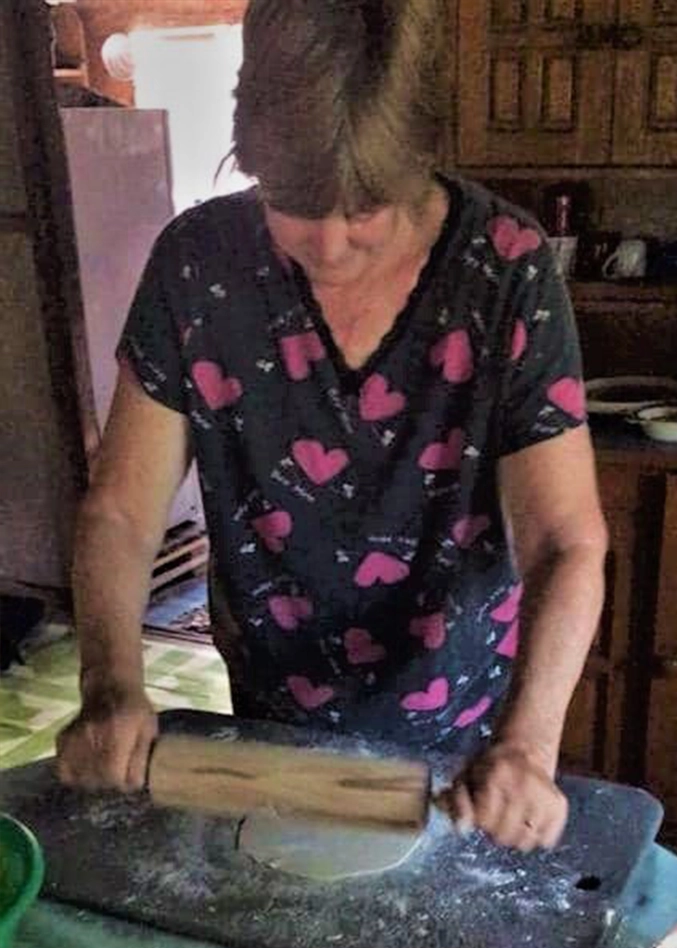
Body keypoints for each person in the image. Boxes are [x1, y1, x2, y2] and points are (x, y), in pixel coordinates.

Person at [56, 0, 608, 854]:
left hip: (462, 741)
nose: (331, 244)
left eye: (366, 211)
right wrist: (111, 681)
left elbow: (565, 541)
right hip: (271, 725)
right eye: (293, 205)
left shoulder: (506, 269)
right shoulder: (197, 266)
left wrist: (530, 746)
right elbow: (122, 510)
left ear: (420, 160)